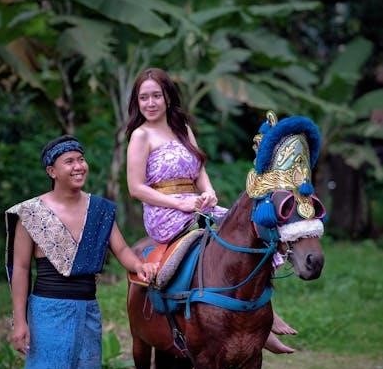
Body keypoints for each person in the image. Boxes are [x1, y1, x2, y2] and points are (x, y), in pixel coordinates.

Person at [5, 134, 158, 369]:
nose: (79, 166)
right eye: (69, 161)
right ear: (51, 171)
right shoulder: (31, 214)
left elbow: (122, 251)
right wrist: (20, 321)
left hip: (87, 311)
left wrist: (141, 267)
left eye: (81, 159)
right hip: (48, 311)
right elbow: (21, 269)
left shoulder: (100, 211)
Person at [125, 67, 296, 354]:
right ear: (137, 101)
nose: (150, 103)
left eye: (156, 96)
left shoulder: (182, 128)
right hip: (164, 211)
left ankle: (261, 308)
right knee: (217, 235)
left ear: (168, 97)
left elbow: (199, 168)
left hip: (196, 203)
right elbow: (135, 187)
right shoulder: (141, 136)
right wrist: (179, 203)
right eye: (144, 97)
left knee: (250, 231)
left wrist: (209, 192)